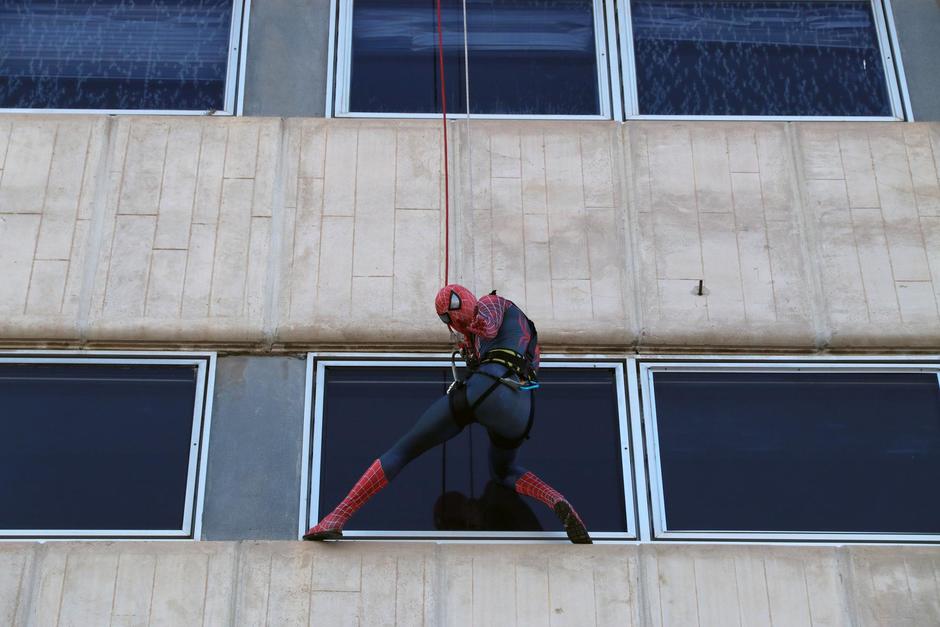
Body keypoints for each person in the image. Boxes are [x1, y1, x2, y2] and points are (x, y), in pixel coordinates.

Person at [303, 284, 591, 544]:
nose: (452, 321)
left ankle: (336, 517)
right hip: (520, 408)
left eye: (450, 314)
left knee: (405, 449)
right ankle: (556, 499)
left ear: (464, 300)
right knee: (503, 470)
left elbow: (489, 325)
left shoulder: (490, 303)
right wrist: (471, 347)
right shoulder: (525, 332)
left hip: (487, 387)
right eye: (447, 319)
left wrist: (474, 331)